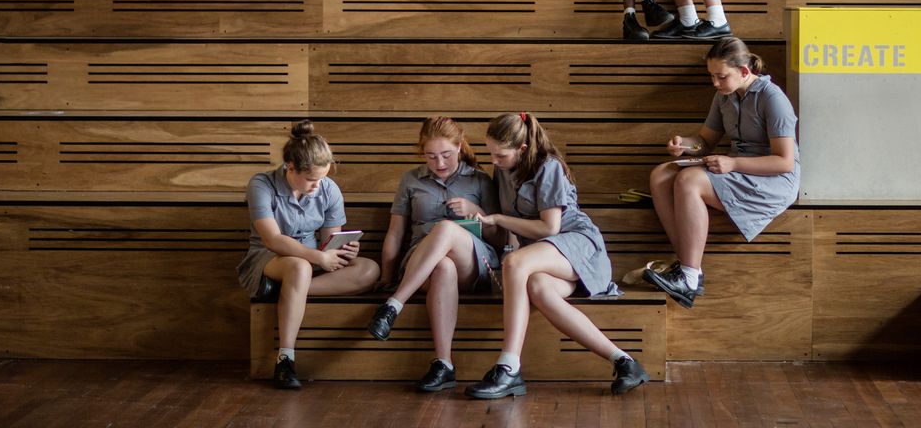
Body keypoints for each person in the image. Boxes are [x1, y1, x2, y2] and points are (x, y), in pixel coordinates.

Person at [464, 112, 650, 399]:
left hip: (578, 244)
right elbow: (514, 227)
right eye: (491, 153)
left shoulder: (548, 166)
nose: (494, 160)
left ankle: (509, 367)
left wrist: (498, 220)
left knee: (515, 263)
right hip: (545, 253)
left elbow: (549, 228)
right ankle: (625, 362)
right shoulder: (502, 169)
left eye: (500, 155)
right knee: (536, 286)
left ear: (522, 149)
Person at [644, 37, 798, 309]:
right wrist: (684, 144)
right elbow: (705, 142)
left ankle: (688, 276)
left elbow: (784, 162)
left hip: (771, 179)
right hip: (735, 168)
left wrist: (734, 164)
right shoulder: (724, 96)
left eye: (721, 76)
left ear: (744, 71)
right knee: (661, 175)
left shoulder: (772, 98)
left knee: (689, 180)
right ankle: (689, 269)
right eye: (712, 76)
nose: (715, 83)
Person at [236, 120, 381, 389]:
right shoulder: (261, 184)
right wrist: (318, 258)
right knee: (299, 268)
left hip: (313, 256)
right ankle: (285, 359)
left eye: (322, 178)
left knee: (369, 269)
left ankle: (290, 290)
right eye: (312, 180)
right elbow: (272, 239)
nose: (317, 185)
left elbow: (329, 243)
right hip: (270, 257)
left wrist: (344, 249)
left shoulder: (328, 189)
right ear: (290, 167)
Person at [367, 117, 501, 392]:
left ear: (460, 146)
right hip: (422, 262)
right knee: (443, 267)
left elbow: (499, 237)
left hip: (473, 261)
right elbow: (395, 232)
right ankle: (443, 364)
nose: (439, 163)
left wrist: (476, 211)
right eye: (431, 156)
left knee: (446, 229)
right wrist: (387, 276)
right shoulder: (410, 180)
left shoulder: (480, 180)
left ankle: (394, 305)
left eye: (447, 155)